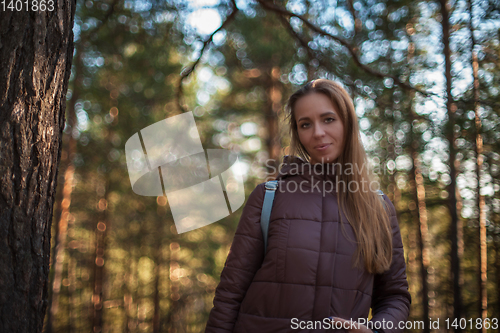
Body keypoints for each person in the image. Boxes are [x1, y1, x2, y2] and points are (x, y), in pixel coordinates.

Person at [205, 79, 411, 332]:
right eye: (305, 124)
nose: (317, 133)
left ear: (348, 122)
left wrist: (377, 330)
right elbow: (230, 294)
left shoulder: (378, 207)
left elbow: (394, 297)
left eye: (328, 119)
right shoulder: (269, 197)